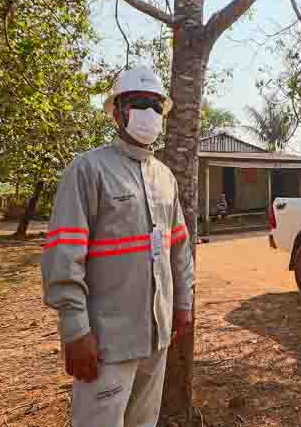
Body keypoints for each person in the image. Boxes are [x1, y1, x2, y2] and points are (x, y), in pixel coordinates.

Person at [41, 66, 194, 427]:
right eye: (140, 103)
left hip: (156, 337)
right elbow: (64, 256)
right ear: (118, 112)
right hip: (106, 342)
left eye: (156, 106)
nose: (150, 113)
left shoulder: (165, 177)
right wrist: (76, 331)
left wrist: (183, 304)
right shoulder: (87, 171)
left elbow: (179, 248)